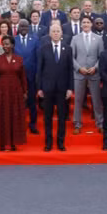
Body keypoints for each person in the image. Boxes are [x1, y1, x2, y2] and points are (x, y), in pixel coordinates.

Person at [36, 23, 74, 151]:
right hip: (47, 88)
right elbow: (39, 69)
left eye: (58, 31)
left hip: (63, 89)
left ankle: (61, 143)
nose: (56, 33)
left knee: (62, 117)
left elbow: (70, 70)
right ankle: (48, 143)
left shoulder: (68, 49)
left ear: (61, 33)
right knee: (48, 118)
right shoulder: (43, 48)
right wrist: (39, 88)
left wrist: (70, 88)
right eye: (54, 31)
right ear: (50, 33)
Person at [0, 36, 28, 151]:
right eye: (3, 44)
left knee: (14, 116)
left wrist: (25, 91)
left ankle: (13, 143)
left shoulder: (19, 59)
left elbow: (23, 77)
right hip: (1, 91)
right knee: (1, 116)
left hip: (16, 91)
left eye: (7, 44)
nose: (5, 46)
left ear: (12, 45)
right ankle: (1, 143)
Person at [71, 15, 104, 134]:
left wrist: (95, 68)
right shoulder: (75, 39)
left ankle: (100, 123)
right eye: (83, 22)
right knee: (78, 100)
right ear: (81, 24)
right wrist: (79, 68)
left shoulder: (98, 39)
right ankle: (77, 124)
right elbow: (71, 57)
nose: (85, 24)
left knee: (96, 100)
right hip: (79, 73)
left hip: (94, 73)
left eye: (88, 22)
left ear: (91, 24)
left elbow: (101, 57)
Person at [14, 20, 40, 134]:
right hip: (17, 76)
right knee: (18, 102)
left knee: (32, 102)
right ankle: (19, 124)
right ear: (18, 28)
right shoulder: (13, 40)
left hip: (31, 76)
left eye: (25, 26)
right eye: (21, 26)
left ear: (29, 27)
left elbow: (38, 57)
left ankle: (33, 124)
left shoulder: (35, 39)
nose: (23, 28)